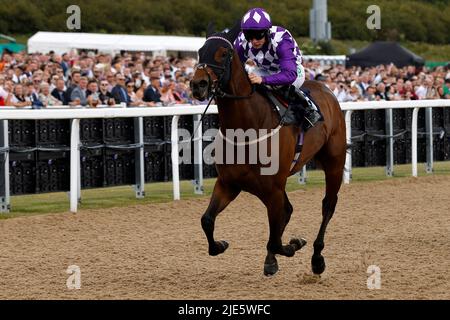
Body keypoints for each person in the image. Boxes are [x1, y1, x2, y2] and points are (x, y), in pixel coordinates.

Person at [234, 7, 321, 131]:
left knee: (283, 86)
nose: (254, 41)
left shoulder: (281, 39)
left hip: (292, 70)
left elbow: (290, 75)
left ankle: (309, 108)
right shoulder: (241, 41)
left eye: (258, 36)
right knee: (249, 81)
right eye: (250, 36)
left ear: (266, 32)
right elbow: (235, 67)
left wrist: (263, 80)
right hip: (265, 69)